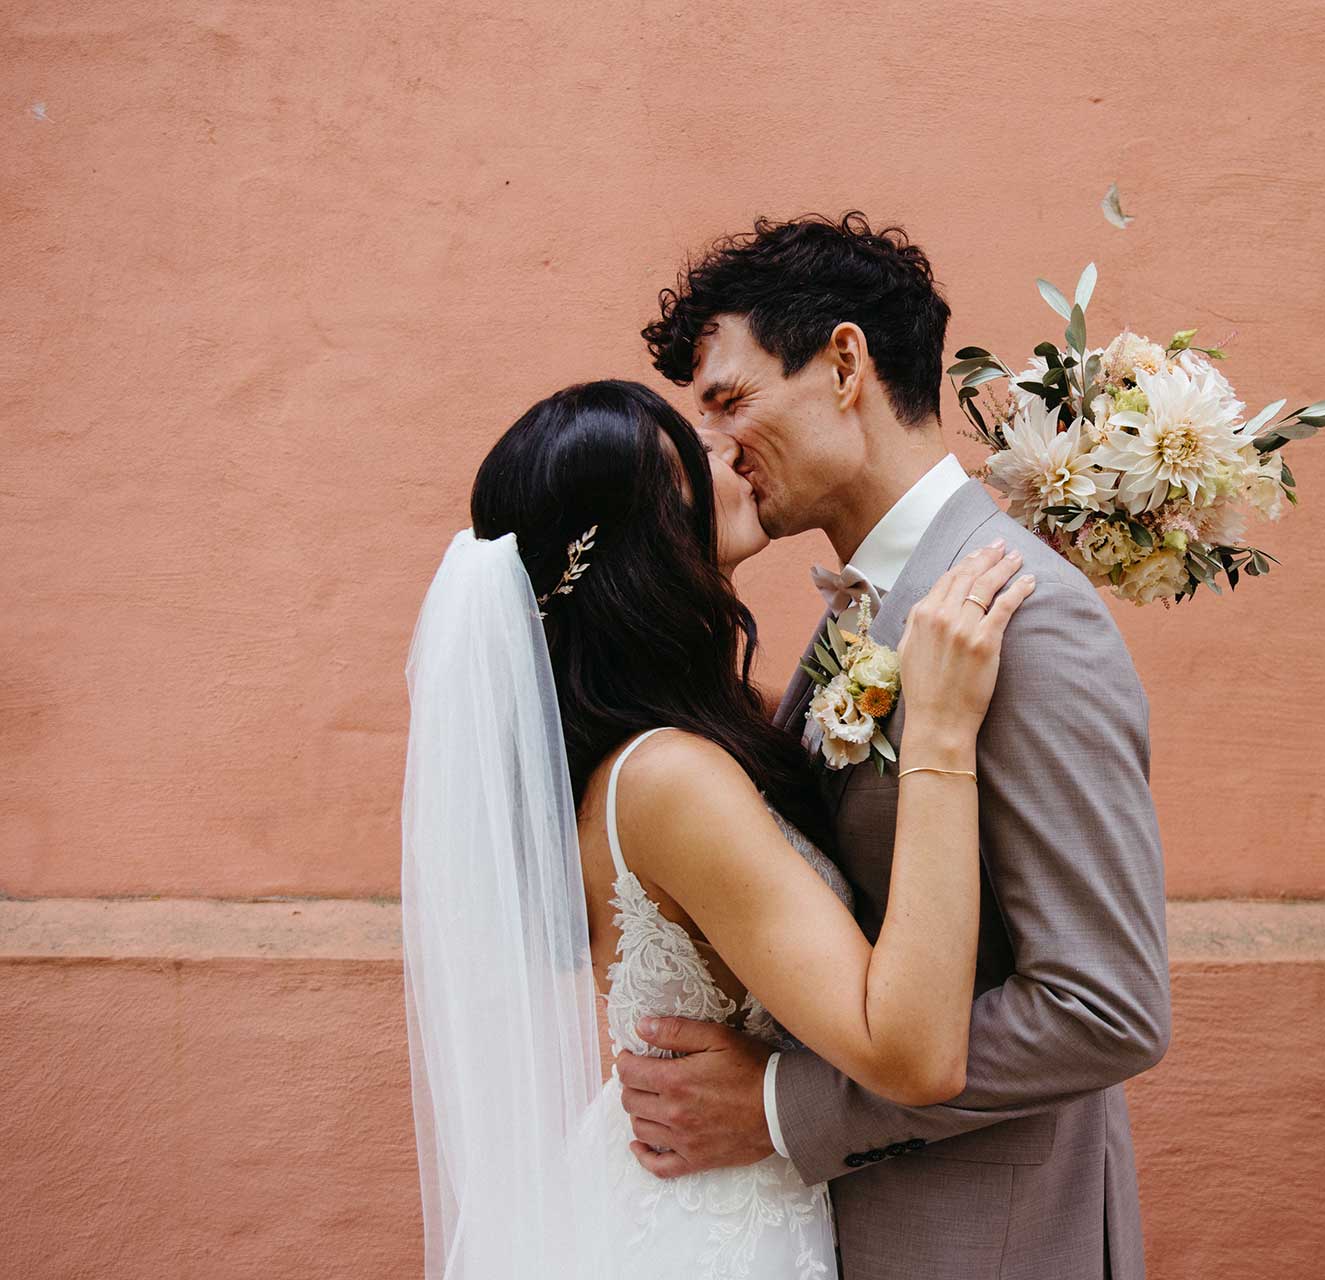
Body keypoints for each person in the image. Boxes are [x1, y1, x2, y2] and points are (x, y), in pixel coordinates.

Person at [619, 213, 1173, 1280]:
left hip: (990, 1243)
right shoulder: (858, 611)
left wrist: (783, 1105)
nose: (720, 449)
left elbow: (1106, 1006)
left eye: (732, 400)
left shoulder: (1028, 615)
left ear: (842, 363)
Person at [400, 378, 1035, 1278]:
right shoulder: (668, 779)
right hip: (707, 1235)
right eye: (689, 459)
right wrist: (935, 732)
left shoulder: (713, 733)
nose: (729, 451)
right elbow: (917, 1055)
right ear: (639, 540)